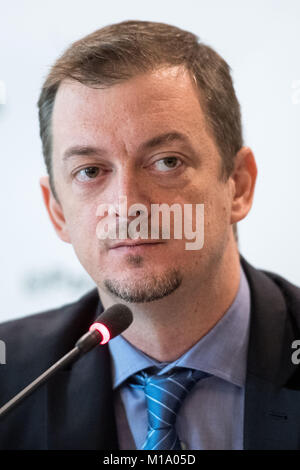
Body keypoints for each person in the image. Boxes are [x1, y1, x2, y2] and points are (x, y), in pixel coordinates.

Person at [0, 19, 300, 451]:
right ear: (57, 211)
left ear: (238, 184)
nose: (127, 205)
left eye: (166, 162)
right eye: (90, 171)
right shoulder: (11, 381)